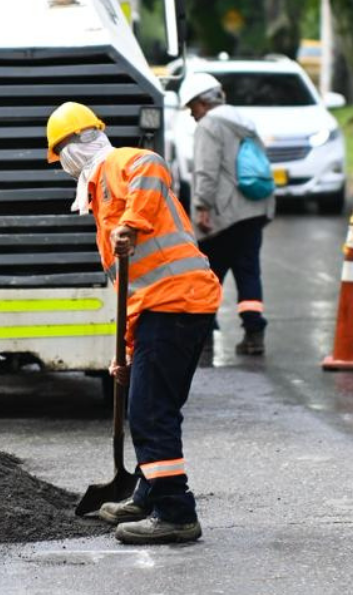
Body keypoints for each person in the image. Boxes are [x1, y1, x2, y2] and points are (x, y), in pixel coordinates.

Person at [46, 101, 222, 545]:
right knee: (151, 404)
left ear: (71, 150)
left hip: (177, 304)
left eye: (60, 157)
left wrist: (132, 221)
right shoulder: (102, 199)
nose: (63, 167)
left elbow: (152, 163)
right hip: (167, 307)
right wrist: (123, 351)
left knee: (148, 411)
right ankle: (145, 495)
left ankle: (175, 512)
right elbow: (132, 287)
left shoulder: (118, 164)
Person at [181, 72, 275, 357]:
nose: (192, 114)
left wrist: (201, 207)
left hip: (225, 214)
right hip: (254, 209)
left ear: (203, 102)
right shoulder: (242, 121)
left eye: (192, 107)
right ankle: (254, 333)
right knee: (249, 272)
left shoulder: (209, 125)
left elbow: (206, 171)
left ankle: (204, 336)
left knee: (207, 276)